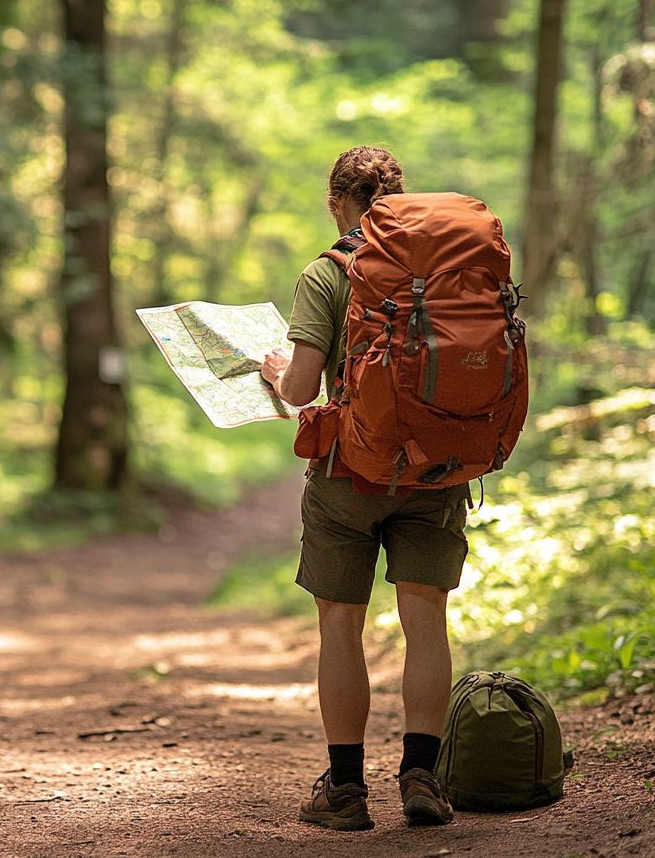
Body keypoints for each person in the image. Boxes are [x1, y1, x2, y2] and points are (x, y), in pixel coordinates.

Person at [260, 146, 468, 831]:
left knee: (340, 622)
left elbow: (299, 389)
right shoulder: (443, 266)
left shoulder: (327, 274)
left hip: (350, 472)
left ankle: (346, 791)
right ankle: (422, 778)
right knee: (425, 621)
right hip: (435, 466)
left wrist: (274, 368)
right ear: (400, 197)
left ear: (335, 201)